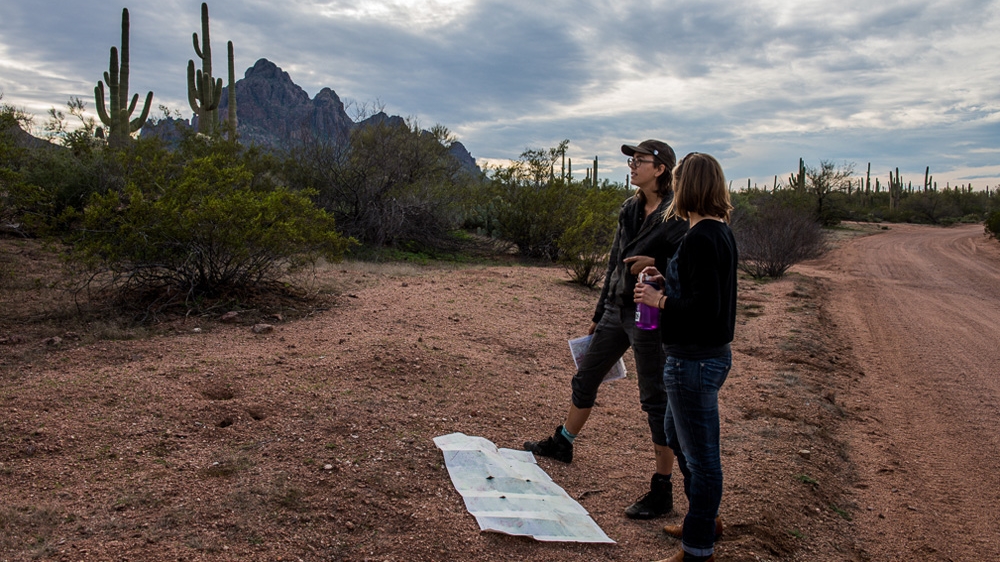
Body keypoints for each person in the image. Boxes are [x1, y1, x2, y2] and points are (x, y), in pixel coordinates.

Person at [523, 139, 688, 519]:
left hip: (650, 313)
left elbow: (687, 266)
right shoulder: (630, 208)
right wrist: (601, 310)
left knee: (654, 399)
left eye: (640, 161)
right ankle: (564, 442)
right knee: (586, 376)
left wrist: (657, 260)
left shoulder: (677, 215)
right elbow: (616, 261)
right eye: (631, 161)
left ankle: (662, 488)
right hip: (617, 308)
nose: (632, 166)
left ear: (660, 168)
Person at [633, 152, 737, 562]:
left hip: (693, 361)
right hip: (700, 357)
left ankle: (697, 550)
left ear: (689, 185)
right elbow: (698, 290)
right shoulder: (716, 232)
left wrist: (660, 302)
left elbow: (704, 308)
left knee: (702, 458)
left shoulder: (701, 237)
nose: (673, 186)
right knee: (678, 437)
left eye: (677, 179)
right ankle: (705, 521)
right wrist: (666, 280)